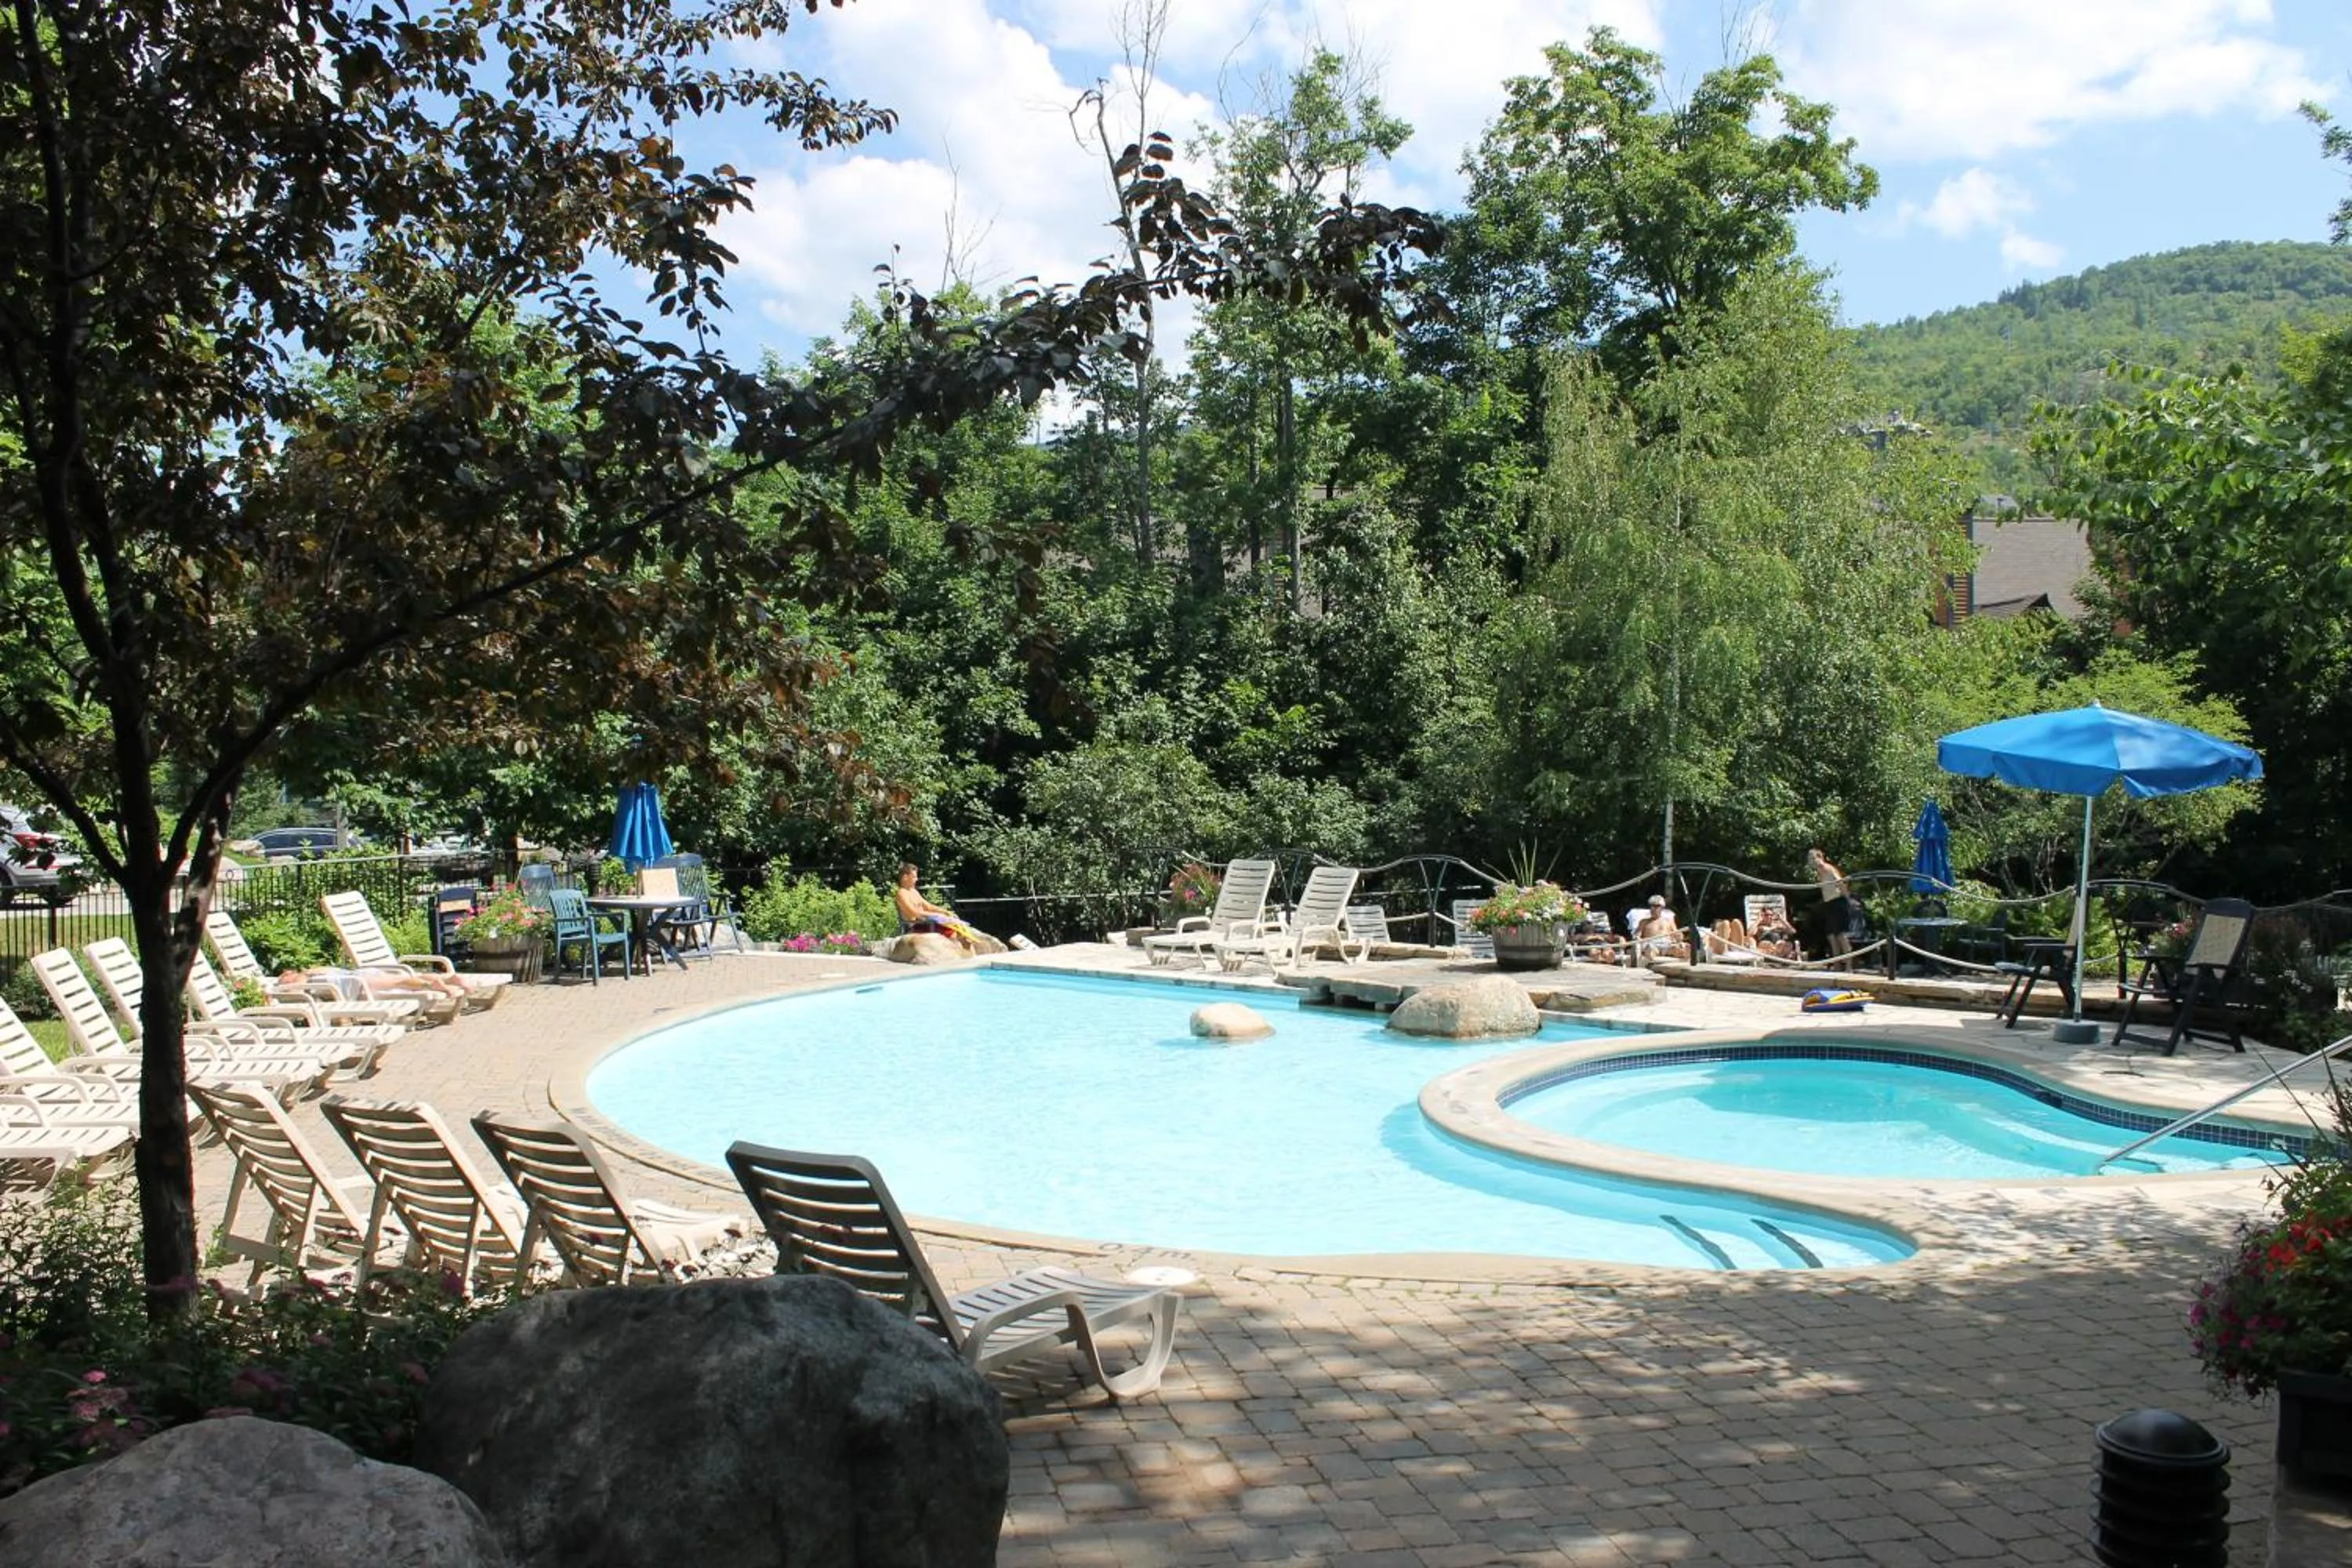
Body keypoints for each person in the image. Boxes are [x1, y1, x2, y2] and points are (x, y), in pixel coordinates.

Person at [894, 863, 982, 953]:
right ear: (905, 877)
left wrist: (945, 912)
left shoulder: (914, 891)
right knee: (951, 932)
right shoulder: (901, 893)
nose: (916, 880)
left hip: (925, 922)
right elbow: (914, 913)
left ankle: (965, 950)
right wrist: (936, 915)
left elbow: (928, 906)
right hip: (915, 925)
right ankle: (955, 954)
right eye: (914, 877)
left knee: (956, 923)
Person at [1808, 848, 1853, 959]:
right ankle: (1837, 965)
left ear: (1820, 857)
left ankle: (1849, 967)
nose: (1812, 861)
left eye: (1813, 858)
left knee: (1841, 935)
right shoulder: (1819, 872)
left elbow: (1841, 882)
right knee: (1831, 936)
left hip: (1837, 902)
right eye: (1810, 859)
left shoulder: (1827, 868)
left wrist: (1848, 899)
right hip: (1829, 904)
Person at [1634, 894, 1689, 962]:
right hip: (1651, 944)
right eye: (1651, 906)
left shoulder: (1668, 921)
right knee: (1650, 949)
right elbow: (1637, 935)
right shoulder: (1644, 922)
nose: (1653, 909)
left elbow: (1676, 933)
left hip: (1666, 944)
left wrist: (1679, 936)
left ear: (1662, 908)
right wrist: (1637, 937)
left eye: (1656, 906)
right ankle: (1652, 961)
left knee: (1683, 948)